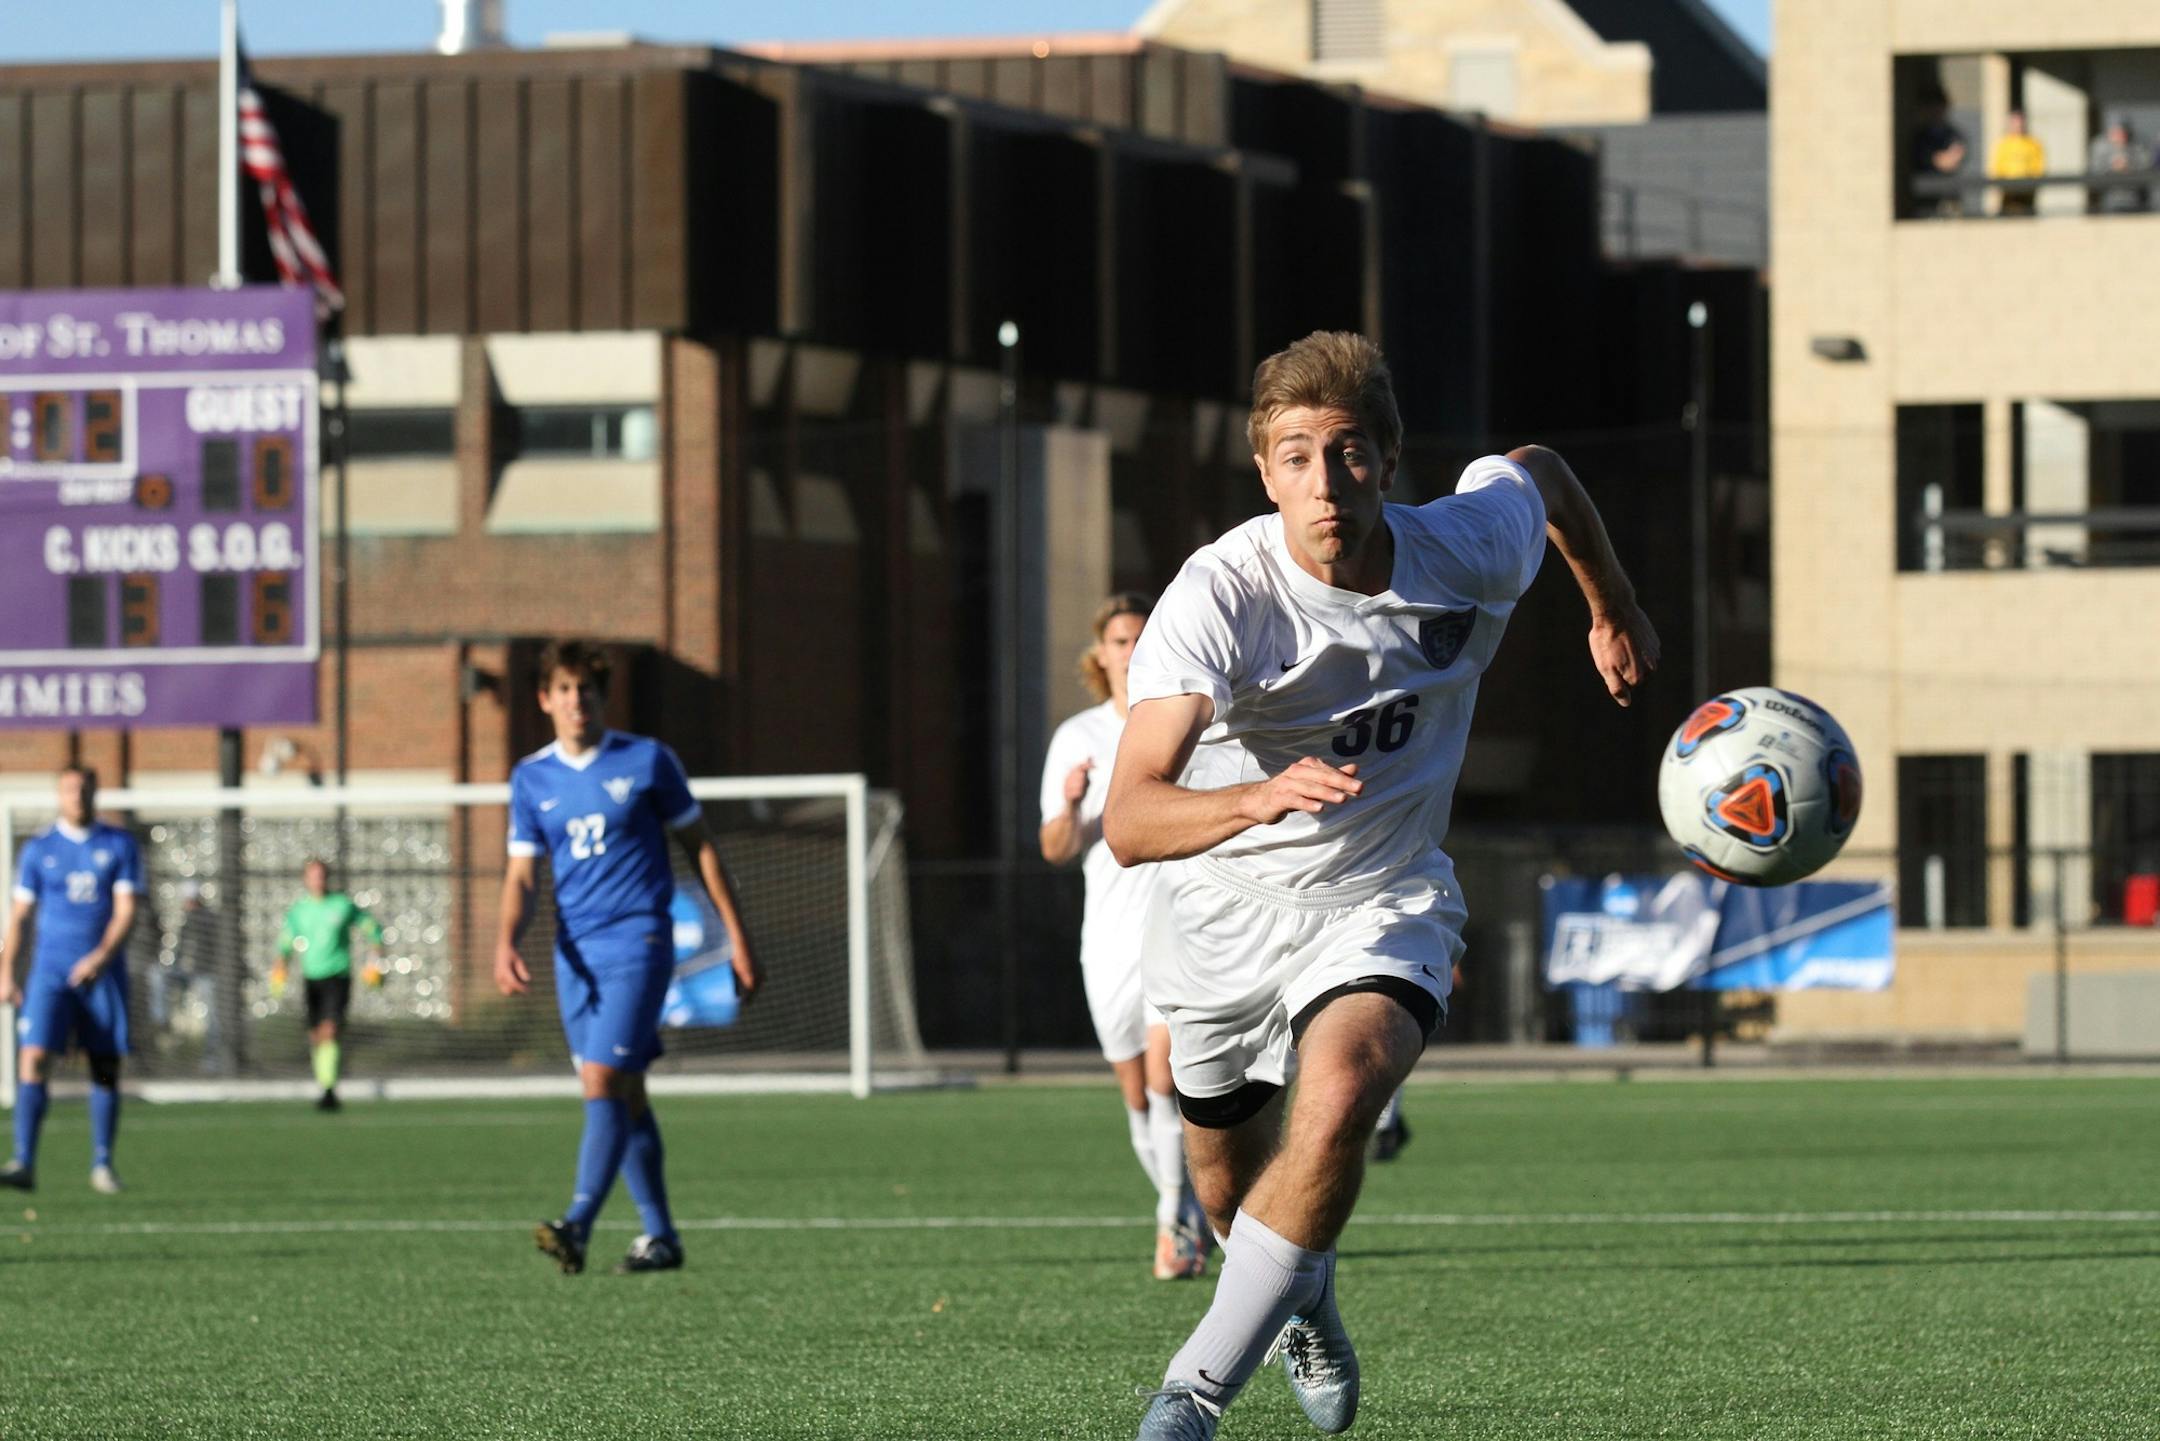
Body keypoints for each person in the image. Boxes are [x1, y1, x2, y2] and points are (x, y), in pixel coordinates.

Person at [1104, 332, 1658, 1438]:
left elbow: (1539, 471)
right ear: (1265, 474)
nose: (1325, 482)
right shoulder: (1218, 596)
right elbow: (1129, 816)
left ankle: (1191, 1396)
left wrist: (1611, 604)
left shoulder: (1466, 548)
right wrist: (1252, 801)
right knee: (1227, 1192)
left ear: (1390, 458)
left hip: (1386, 895)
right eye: (1297, 456)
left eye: (1349, 452)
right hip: (1223, 915)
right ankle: (1303, 1293)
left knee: (1348, 1086)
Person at [494, 640, 761, 1276]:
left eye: (586, 689)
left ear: (602, 697)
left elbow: (701, 848)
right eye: (563, 689)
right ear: (544, 699)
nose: (575, 701)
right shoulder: (532, 778)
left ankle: (577, 1225)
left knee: (601, 1081)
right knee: (628, 1090)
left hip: (640, 941)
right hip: (573, 955)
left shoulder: (647, 761)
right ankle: (661, 1237)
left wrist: (739, 939)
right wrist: (505, 940)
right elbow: (522, 875)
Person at [1040, 592, 1208, 1281]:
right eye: (1118, 638)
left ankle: (1174, 1222)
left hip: (1177, 922)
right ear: (1099, 653)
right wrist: (1076, 801)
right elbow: (1055, 846)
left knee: (1166, 1075)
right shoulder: (1076, 736)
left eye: (1142, 635)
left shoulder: (1183, 721)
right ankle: (1185, 1205)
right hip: (1106, 935)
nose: (1130, 648)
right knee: (1136, 1091)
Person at [0, 766, 144, 1194]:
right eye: (68, 789)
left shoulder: (118, 844)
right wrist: (6, 970)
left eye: (83, 789)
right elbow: (20, 917)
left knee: (103, 1065)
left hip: (103, 973)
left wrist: (100, 956)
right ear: (58, 794)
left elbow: (126, 911)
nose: (76, 796)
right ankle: (23, 1161)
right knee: (34, 1057)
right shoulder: (40, 849)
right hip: (50, 972)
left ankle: (103, 1163)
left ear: (95, 792)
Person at [273, 858, 385, 1112]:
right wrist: (279, 969)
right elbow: (286, 943)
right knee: (316, 1036)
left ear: (327, 878)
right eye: (312, 876)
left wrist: (375, 960)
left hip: (338, 976)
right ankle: (327, 1086)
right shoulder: (299, 911)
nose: (317, 880)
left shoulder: (342, 905)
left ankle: (329, 1090)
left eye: (321, 875)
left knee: (330, 1030)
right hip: (311, 978)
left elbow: (370, 928)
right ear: (306, 879)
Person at [1909, 89, 1968, 217]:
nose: (1935, 111)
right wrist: (1939, 159)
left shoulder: (1953, 134)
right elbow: (1934, 160)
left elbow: (1953, 160)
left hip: (1948, 198)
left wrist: (1944, 159)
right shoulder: (1919, 136)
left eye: (1939, 107)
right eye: (1931, 107)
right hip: (1924, 202)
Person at [1989, 109, 2046, 217]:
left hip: (2027, 192)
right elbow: (1997, 168)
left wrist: (2030, 182)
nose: (2018, 125)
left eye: (2020, 122)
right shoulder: (2003, 145)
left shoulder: (2034, 144)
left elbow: (2039, 168)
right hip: (2008, 193)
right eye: (2014, 122)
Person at [2087, 119, 2149, 214]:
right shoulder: (2100, 148)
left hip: (2135, 201)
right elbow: (2095, 177)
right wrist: (2111, 167)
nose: (2120, 137)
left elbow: (2146, 171)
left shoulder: (2136, 146)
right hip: (2109, 201)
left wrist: (2129, 166)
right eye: (2116, 133)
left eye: (2122, 133)